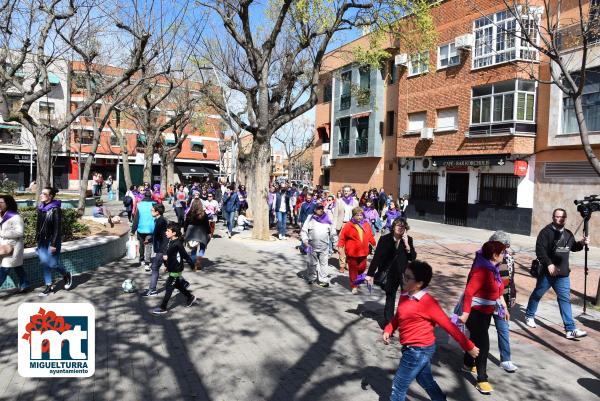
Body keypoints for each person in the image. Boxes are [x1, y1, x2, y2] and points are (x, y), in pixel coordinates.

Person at [383, 261, 479, 401]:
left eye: (408, 278)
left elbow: (448, 325)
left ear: (419, 283)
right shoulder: (405, 294)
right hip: (411, 348)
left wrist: (468, 346)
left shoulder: (428, 303)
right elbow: (398, 316)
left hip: (418, 351)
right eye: (404, 275)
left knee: (398, 385)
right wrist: (389, 329)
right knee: (425, 380)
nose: (403, 279)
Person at [524, 208, 589, 339]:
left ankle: (570, 329)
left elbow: (573, 247)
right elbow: (540, 251)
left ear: (565, 218)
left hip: (563, 274)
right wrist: (549, 264)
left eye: (563, 217)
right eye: (558, 216)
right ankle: (529, 315)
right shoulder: (545, 232)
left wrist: (582, 243)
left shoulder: (568, 233)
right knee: (537, 294)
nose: (560, 219)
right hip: (547, 273)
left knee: (564, 299)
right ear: (553, 217)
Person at [459, 240, 508, 394]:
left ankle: (467, 364)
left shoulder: (493, 269)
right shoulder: (482, 271)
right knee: (483, 345)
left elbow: (498, 291)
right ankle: (482, 379)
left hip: (487, 312)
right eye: (502, 252)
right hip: (475, 314)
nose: (504, 255)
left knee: (474, 339)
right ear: (494, 255)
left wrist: (504, 308)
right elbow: (468, 292)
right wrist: (466, 314)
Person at [366, 217, 416, 325]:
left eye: (403, 226)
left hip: (404, 274)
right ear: (393, 227)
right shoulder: (384, 239)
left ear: (405, 228)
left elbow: (413, 257)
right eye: (398, 225)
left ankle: (404, 320)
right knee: (390, 297)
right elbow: (377, 258)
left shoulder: (408, 239)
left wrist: (407, 244)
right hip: (389, 274)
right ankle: (389, 323)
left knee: (406, 298)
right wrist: (370, 274)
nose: (400, 228)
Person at [488, 230, 518, 372]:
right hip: (486, 301)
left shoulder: (509, 259)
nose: (506, 248)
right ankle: (472, 358)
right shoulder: (485, 258)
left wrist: (512, 294)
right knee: (481, 332)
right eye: (504, 245)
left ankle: (506, 360)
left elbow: (511, 279)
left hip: (502, 302)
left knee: (504, 330)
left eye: (507, 245)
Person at [151, 223, 197, 315]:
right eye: (166, 230)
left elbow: (185, 256)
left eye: (168, 231)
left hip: (176, 269)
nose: (166, 232)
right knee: (178, 285)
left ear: (174, 233)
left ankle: (163, 307)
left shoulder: (178, 244)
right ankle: (190, 297)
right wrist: (167, 266)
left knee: (169, 287)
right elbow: (171, 257)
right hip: (172, 268)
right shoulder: (170, 241)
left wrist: (192, 265)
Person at [37, 187, 73, 296]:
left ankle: (66, 274)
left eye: (44, 193)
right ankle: (49, 286)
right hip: (41, 241)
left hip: (51, 241)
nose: (41, 195)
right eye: (41, 193)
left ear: (50, 196)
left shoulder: (55, 209)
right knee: (45, 263)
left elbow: (57, 228)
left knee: (52, 264)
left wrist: (53, 244)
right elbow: (38, 225)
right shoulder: (41, 208)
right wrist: (37, 238)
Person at [338, 207, 375, 295]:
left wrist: (374, 244)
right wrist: (340, 246)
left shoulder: (366, 224)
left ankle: (358, 279)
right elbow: (342, 237)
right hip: (352, 252)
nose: (359, 217)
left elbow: (370, 236)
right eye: (357, 215)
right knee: (353, 270)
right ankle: (354, 286)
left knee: (362, 267)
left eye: (360, 215)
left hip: (363, 251)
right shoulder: (349, 225)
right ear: (353, 216)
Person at [300, 204, 337, 287]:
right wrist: (305, 241)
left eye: (322, 208)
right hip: (310, 246)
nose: (321, 210)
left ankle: (323, 280)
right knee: (311, 263)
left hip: (324, 246)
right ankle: (311, 278)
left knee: (324, 264)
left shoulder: (327, 219)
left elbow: (332, 232)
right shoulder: (310, 218)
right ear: (314, 210)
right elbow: (304, 231)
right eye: (318, 209)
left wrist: (335, 243)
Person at [0, 195, 29, 292]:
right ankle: (25, 285)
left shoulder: (15, 216)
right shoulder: (1, 215)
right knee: (17, 266)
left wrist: (3, 233)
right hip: (3, 246)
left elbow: (20, 232)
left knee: (5, 268)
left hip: (13, 246)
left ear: (7, 204)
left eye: (1, 202)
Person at [141, 204, 168, 297]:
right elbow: (157, 234)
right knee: (172, 268)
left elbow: (165, 237)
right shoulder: (158, 220)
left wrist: (165, 253)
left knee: (155, 267)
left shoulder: (161, 222)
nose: (150, 211)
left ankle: (152, 290)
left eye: (152, 210)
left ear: (157, 212)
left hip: (162, 249)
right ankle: (183, 283)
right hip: (161, 248)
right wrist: (148, 240)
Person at [335, 185, 359, 273]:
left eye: (347, 191)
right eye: (344, 191)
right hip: (342, 224)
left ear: (351, 192)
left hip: (352, 225)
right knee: (341, 246)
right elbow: (336, 214)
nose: (346, 192)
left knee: (351, 245)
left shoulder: (355, 202)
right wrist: (334, 226)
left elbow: (358, 215)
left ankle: (349, 264)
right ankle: (342, 264)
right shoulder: (339, 201)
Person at [184, 197, 211, 271]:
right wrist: (209, 232)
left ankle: (193, 263)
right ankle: (199, 258)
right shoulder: (204, 214)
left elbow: (186, 224)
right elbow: (206, 225)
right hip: (201, 232)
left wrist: (185, 232)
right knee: (202, 246)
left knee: (193, 248)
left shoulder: (189, 213)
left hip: (191, 232)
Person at [131, 190, 156, 269]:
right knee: (148, 245)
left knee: (141, 245)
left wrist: (133, 230)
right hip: (151, 228)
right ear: (151, 196)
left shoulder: (140, 205)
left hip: (140, 228)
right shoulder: (155, 204)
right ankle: (147, 263)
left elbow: (136, 219)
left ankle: (141, 258)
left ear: (144, 196)